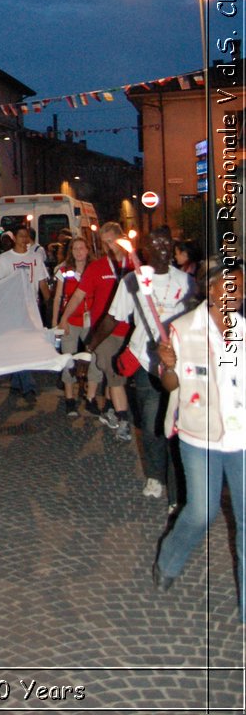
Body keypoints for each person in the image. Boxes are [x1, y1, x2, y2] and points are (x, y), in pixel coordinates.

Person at [153, 260, 245, 622]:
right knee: (202, 511)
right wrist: (169, 367)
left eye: (241, 287)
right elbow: (170, 387)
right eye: (229, 286)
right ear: (209, 289)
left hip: (241, 438)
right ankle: (169, 559)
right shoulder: (182, 329)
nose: (235, 294)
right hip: (200, 435)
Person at [107, 227, 195, 502]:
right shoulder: (132, 280)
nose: (163, 248)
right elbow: (116, 317)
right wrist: (92, 340)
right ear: (145, 249)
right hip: (146, 363)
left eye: (167, 243)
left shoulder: (187, 281)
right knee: (152, 423)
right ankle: (155, 476)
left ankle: (179, 484)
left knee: (178, 425)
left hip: (177, 364)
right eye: (156, 243)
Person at [61, 221, 133, 438]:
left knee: (117, 373)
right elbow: (78, 296)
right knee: (112, 373)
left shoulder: (134, 265)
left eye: (111, 241)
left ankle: (109, 409)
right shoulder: (97, 267)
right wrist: (64, 317)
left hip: (129, 330)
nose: (108, 247)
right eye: (104, 243)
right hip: (105, 331)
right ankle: (122, 418)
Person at [0, 225, 51, 404]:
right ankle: (28, 386)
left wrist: (49, 303)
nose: (25, 240)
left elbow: (42, 283)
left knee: (24, 345)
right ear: (14, 238)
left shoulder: (35, 258)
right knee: (21, 345)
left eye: (27, 237)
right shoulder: (5, 259)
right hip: (13, 308)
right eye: (22, 236)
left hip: (32, 306)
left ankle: (18, 382)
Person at [52, 236, 101, 417]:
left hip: (91, 321)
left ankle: (91, 397)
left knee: (95, 358)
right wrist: (56, 322)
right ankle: (70, 398)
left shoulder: (95, 270)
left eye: (82, 248)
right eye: (75, 248)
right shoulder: (64, 271)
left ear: (88, 250)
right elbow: (57, 297)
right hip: (70, 321)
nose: (79, 252)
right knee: (68, 358)